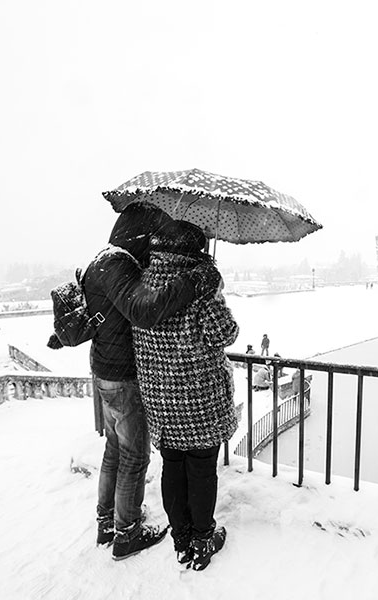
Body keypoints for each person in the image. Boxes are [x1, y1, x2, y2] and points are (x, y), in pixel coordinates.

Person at [81, 204, 214, 561]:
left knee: (113, 452)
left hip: (106, 371)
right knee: (134, 458)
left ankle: (107, 523)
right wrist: (197, 278)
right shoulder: (118, 264)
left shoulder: (102, 260)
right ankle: (127, 533)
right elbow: (144, 311)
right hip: (123, 376)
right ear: (140, 232)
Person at [133, 220, 237, 572]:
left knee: (172, 468)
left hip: (161, 398)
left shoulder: (141, 284)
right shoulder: (198, 286)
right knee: (202, 470)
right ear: (195, 251)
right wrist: (214, 291)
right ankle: (204, 537)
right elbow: (225, 333)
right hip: (199, 397)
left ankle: (181, 538)